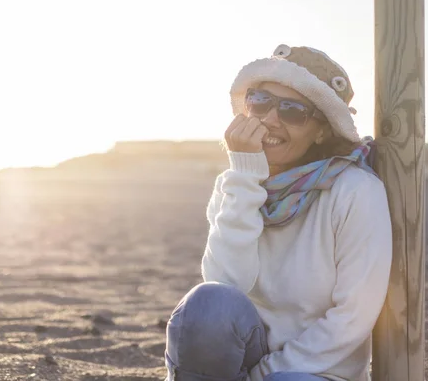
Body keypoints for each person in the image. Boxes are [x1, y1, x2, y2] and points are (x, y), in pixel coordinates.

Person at [164, 44, 393, 381]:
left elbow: (353, 317)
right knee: (209, 303)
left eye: (292, 111)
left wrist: (263, 375)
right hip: (239, 360)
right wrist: (244, 174)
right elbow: (224, 288)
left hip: (317, 370)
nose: (269, 119)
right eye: (260, 101)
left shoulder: (355, 191)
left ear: (322, 131)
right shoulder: (236, 184)